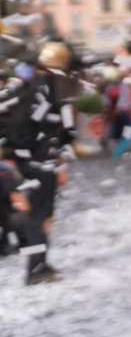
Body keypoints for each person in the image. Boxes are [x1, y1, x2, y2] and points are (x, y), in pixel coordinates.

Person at [0, 43, 76, 284]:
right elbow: (59, 129)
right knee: (40, 214)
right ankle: (36, 268)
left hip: (24, 158)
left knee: (38, 213)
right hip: (41, 160)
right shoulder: (50, 89)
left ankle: (39, 262)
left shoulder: (24, 87)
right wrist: (60, 162)